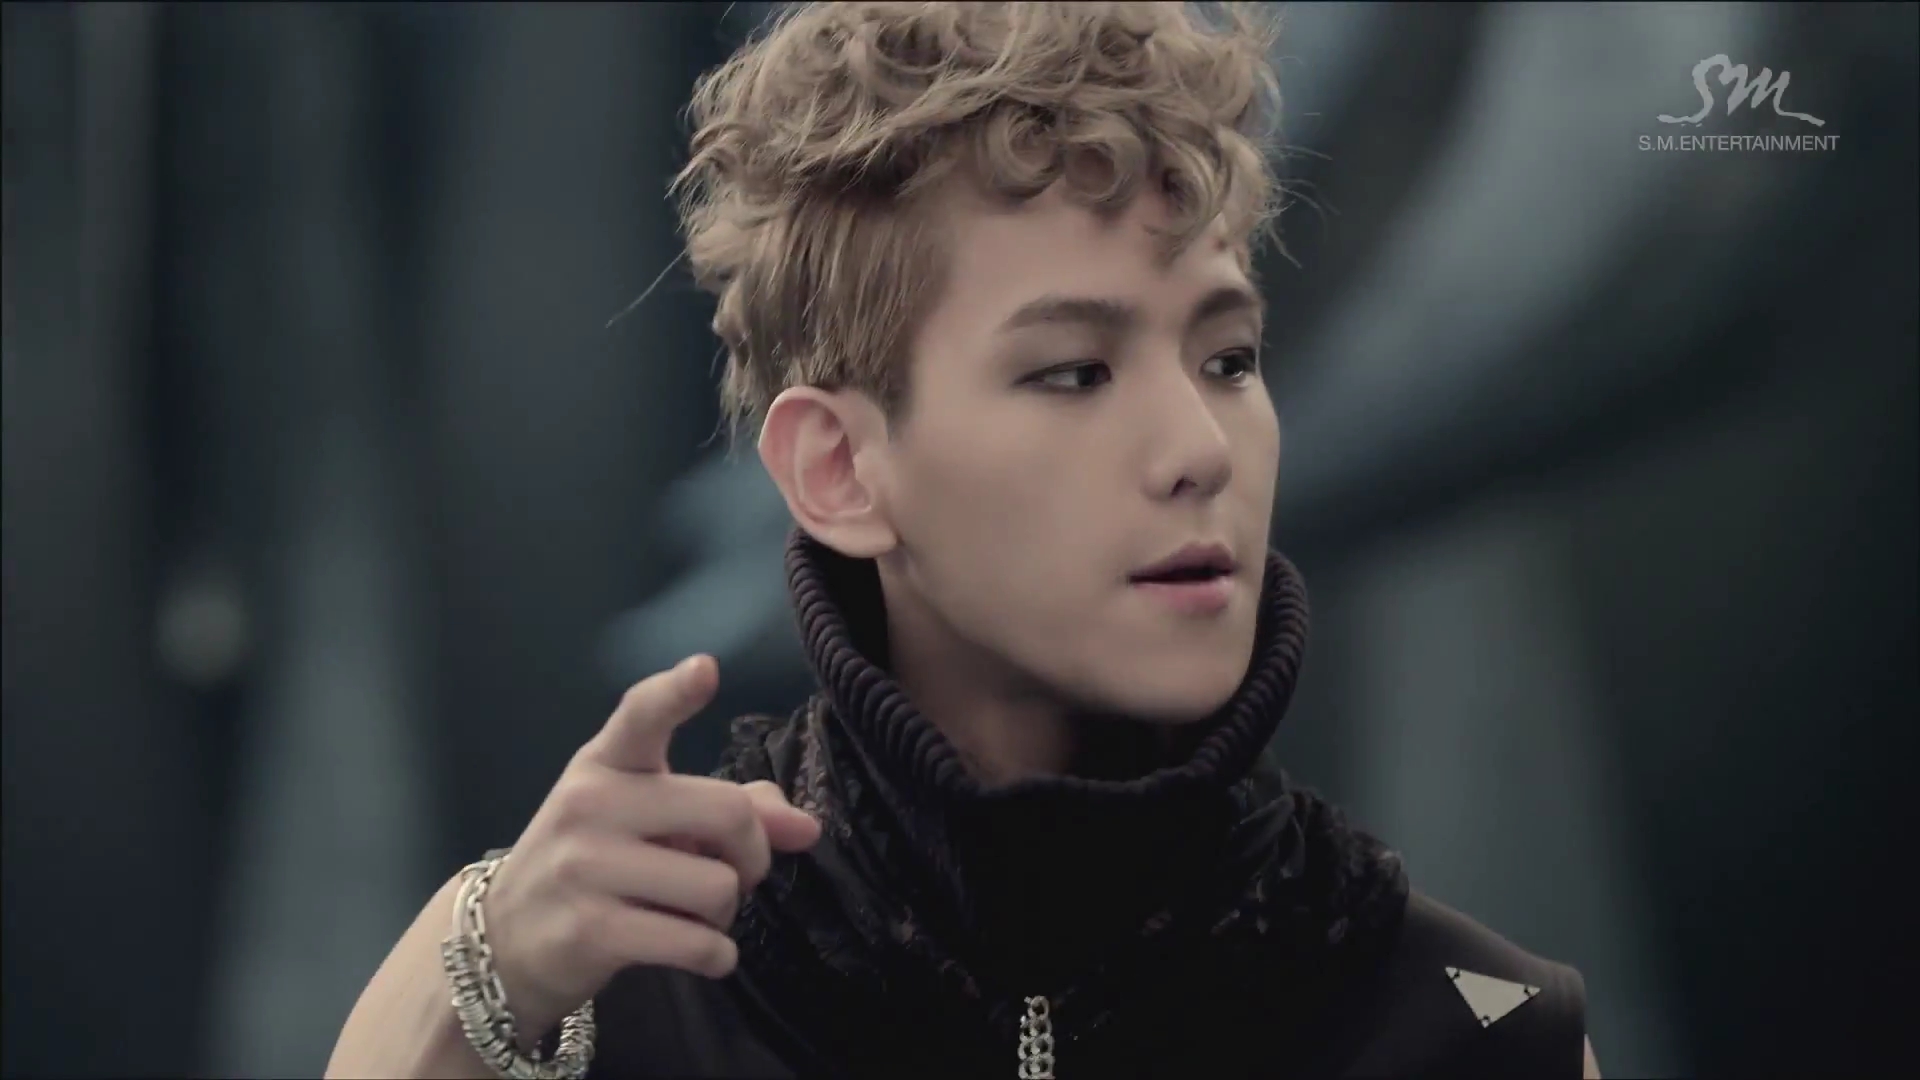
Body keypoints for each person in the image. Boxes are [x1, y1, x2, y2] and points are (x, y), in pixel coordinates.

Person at [327, 3, 1603, 1077]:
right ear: (837, 469)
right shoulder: (586, 987)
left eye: (1228, 358)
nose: (1201, 449)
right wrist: (475, 989)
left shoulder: (1474, 1029)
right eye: (1073, 372)